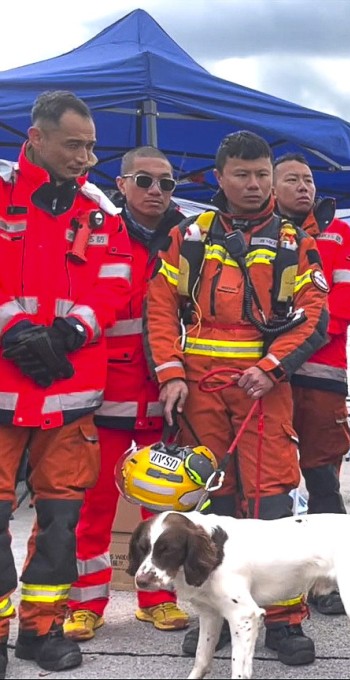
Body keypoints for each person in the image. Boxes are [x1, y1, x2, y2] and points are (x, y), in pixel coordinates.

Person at [144, 130, 328, 667]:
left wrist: (272, 367)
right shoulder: (189, 235)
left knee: (272, 502)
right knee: (210, 500)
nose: (254, 184)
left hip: (262, 386)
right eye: (242, 175)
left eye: (262, 175)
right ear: (219, 178)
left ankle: (286, 620)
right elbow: (160, 307)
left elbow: (314, 314)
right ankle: (217, 614)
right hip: (198, 384)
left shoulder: (295, 241)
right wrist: (170, 373)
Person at [0, 90, 131, 674]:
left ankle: (41, 630)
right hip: (5, 383)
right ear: (38, 137)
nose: (87, 157)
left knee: (60, 522)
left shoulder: (100, 212)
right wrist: (15, 330)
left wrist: (73, 330)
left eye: (92, 146)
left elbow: (117, 279)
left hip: (71, 390)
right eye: (75, 144)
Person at [65, 146, 190, 643]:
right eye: (144, 180)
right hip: (106, 391)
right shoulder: (100, 234)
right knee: (94, 505)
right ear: (121, 184)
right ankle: (87, 604)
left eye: (166, 182)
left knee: (161, 508)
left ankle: (157, 601)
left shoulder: (189, 241)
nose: (156, 191)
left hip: (165, 394)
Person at [273, 152, 350, 616]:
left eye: (308, 179)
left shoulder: (339, 233)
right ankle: (271, 577)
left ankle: (332, 581)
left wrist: (302, 340)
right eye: (291, 179)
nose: (303, 186)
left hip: (321, 374)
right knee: (267, 481)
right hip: (268, 377)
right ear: (272, 187)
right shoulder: (255, 233)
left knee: (323, 477)